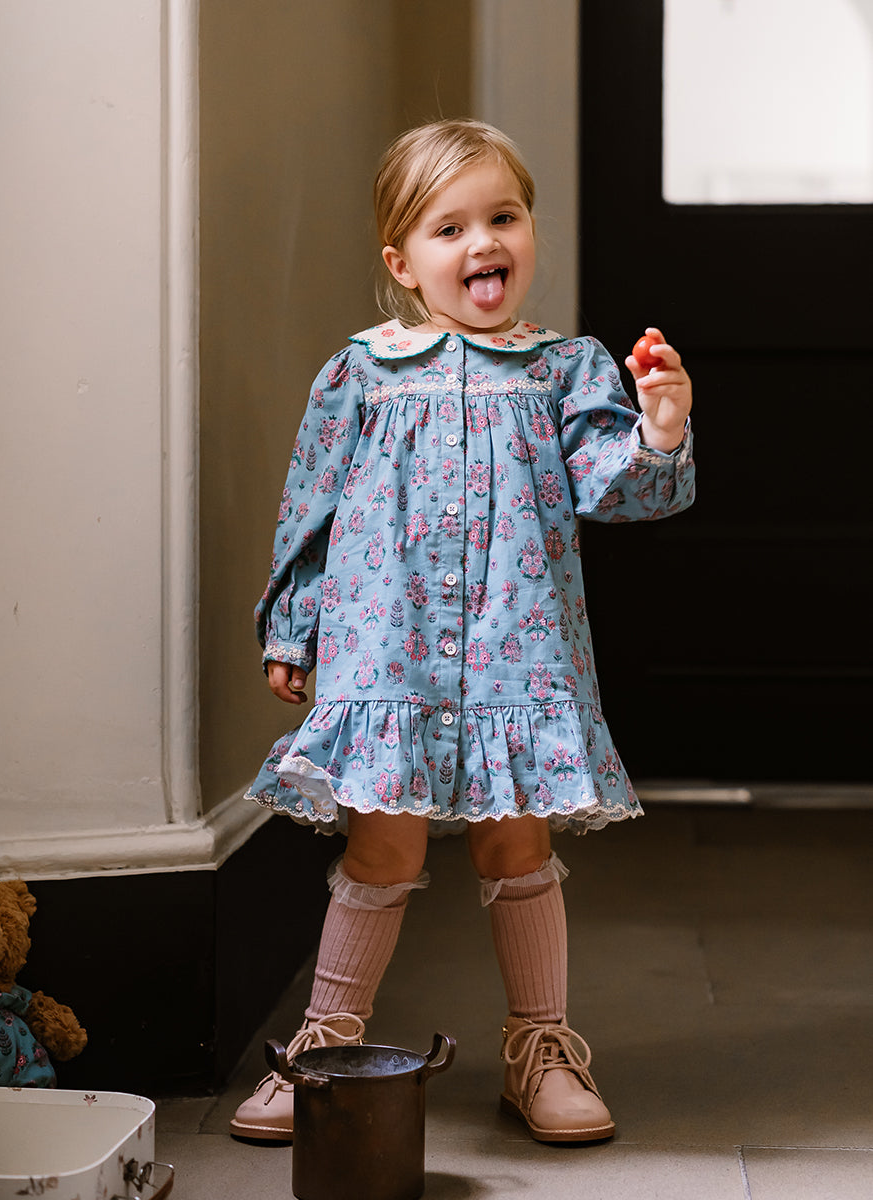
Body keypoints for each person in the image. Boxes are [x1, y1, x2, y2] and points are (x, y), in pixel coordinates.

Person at [231, 118, 694, 1145]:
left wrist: (659, 426)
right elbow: (309, 508)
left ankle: (541, 1047)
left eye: (503, 217)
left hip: (517, 652)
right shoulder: (359, 372)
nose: (483, 241)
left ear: (529, 232)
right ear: (403, 262)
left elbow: (615, 490)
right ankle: (325, 1047)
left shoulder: (566, 369)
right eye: (450, 228)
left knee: (516, 841)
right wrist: (294, 629)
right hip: (384, 650)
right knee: (382, 844)